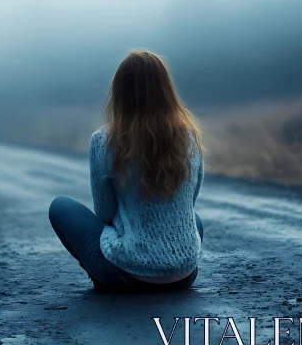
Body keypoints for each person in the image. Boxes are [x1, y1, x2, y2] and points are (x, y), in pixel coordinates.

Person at [49, 49, 204, 292]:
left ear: (119, 93)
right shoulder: (188, 137)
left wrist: (130, 225)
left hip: (127, 275)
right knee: (195, 219)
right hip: (184, 275)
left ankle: (102, 276)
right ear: (166, 90)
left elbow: (104, 212)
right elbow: (188, 202)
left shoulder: (104, 141)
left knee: (60, 206)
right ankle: (167, 267)